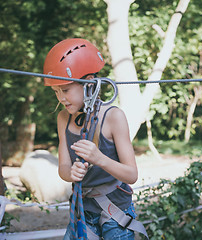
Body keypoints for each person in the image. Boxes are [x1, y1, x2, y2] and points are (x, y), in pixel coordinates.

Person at [43, 38, 144, 239]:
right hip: (83, 212)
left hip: (115, 212)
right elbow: (63, 168)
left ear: (89, 82)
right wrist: (71, 173)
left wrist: (99, 159)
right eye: (56, 92)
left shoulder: (113, 117)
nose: (61, 98)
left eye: (65, 90)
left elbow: (131, 174)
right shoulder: (63, 117)